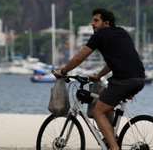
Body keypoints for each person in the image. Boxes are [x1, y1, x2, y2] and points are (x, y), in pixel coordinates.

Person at [54, 8, 145, 150]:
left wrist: (63, 71)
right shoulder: (121, 32)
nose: (92, 24)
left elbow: (80, 57)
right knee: (104, 100)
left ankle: (114, 148)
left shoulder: (100, 35)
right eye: (93, 20)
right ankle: (111, 139)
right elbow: (114, 61)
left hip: (123, 80)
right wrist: (99, 76)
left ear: (106, 23)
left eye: (96, 20)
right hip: (139, 78)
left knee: (97, 111)